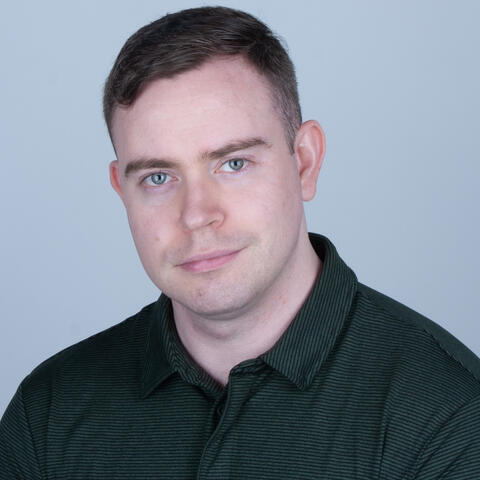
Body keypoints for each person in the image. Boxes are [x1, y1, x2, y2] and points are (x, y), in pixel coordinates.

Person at [1, 5, 479, 479]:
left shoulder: (451, 417)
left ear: (305, 162)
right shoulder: (47, 415)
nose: (196, 215)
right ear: (122, 191)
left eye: (233, 164)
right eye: (158, 177)